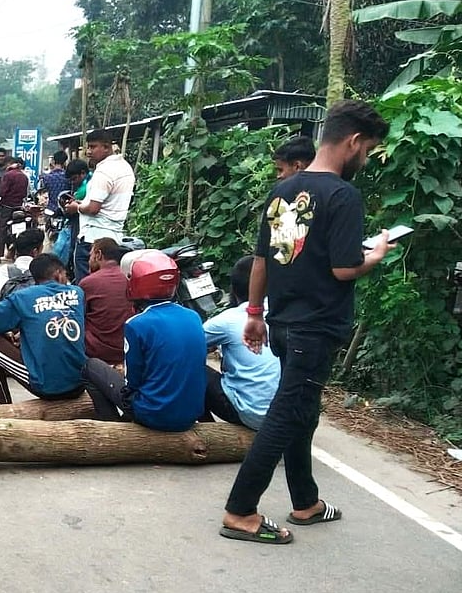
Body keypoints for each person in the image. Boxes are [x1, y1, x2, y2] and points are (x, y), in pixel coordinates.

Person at [220, 100, 391, 545]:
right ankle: (240, 511)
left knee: (302, 412)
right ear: (353, 141)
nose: (365, 159)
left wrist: (255, 314)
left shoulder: (283, 190)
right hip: (315, 328)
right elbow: (342, 269)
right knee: (286, 414)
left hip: (283, 322)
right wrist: (373, 257)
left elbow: (262, 259)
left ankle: (306, 502)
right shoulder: (343, 196)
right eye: (368, 149)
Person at [82, 249, 207, 431]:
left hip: (153, 415)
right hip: (190, 415)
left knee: (90, 366)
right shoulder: (193, 316)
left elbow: (133, 381)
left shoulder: (136, 324)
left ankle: (113, 428)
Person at [0, 253, 87, 404]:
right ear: (58, 274)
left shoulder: (23, 297)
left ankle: (1, 406)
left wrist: (9, 332)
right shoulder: (78, 293)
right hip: (80, 383)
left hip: (46, 386)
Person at [200, 256, 280, 428]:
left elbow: (185, 346)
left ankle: (207, 429)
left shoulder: (228, 320)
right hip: (285, 416)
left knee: (193, 368)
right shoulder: (286, 313)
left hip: (250, 414)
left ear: (234, 290)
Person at [67, 130, 135, 283]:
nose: (89, 152)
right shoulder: (125, 167)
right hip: (114, 238)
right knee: (108, 283)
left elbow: (93, 208)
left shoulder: (103, 171)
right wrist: (82, 204)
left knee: (87, 285)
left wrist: (76, 208)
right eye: (88, 147)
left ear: (106, 147)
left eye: (93, 147)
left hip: (93, 239)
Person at [79, 237, 135, 365]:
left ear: (98, 255)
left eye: (90, 256)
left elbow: (78, 318)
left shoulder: (88, 282)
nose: (89, 261)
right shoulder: (131, 277)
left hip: (99, 352)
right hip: (129, 347)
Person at [0, 228, 44, 311]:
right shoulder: (44, 272)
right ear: (35, 252)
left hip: (8, 317)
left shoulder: (3, 270)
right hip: (35, 315)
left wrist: (1, 295)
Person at [0, 157, 29, 264]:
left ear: (11, 164)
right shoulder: (24, 177)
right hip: (19, 207)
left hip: (7, 207)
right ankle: (16, 254)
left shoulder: (8, 175)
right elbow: (25, 194)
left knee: (1, 229)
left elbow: (2, 193)